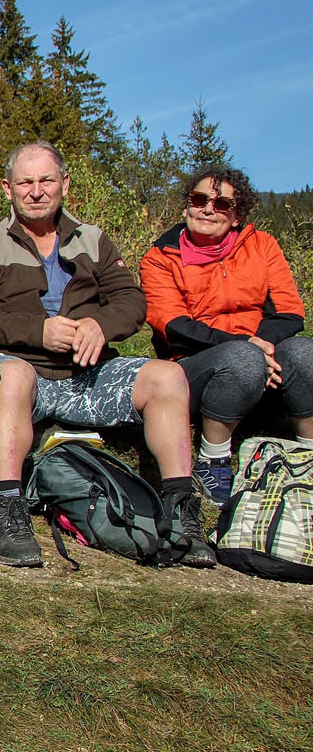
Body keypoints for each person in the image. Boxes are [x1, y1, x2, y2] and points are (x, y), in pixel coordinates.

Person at [0, 141, 212, 568]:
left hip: (91, 372)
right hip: (25, 371)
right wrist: (39, 332)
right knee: (12, 376)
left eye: (46, 180)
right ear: (7, 188)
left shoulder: (93, 239)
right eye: (25, 182)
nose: (35, 191)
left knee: (167, 377)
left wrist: (100, 325)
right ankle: (9, 509)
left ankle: (181, 512)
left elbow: (131, 301)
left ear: (64, 184)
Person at [140, 165, 313, 501]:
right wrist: (248, 347)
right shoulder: (160, 258)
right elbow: (174, 327)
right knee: (241, 358)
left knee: (304, 351)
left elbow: (290, 312)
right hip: (193, 368)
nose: (208, 209)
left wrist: (262, 347)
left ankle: (307, 453)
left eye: (221, 205)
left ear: (236, 217)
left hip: (263, 358)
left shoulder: (262, 246)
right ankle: (213, 458)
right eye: (200, 199)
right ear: (187, 205)